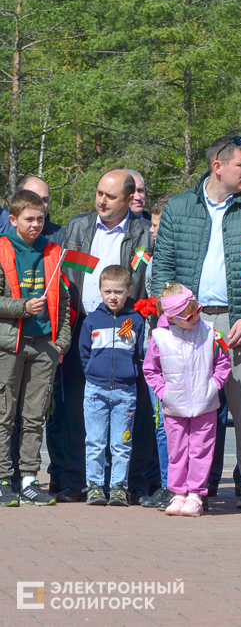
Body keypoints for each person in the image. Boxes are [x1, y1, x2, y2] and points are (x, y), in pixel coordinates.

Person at [152, 136, 241, 517]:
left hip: (238, 319)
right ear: (218, 167)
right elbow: (163, 268)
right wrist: (175, 317)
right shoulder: (179, 206)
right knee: (195, 411)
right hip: (189, 321)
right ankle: (196, 489)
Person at [54, 170, 154, 503]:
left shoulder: (141, 233)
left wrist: (131, 323)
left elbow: (141, 281)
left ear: (128, 199)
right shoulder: (79, 228)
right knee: (76, 409)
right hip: (84, 324)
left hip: (126, 325)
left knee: (129, 409)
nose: (101, 201)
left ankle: (129, 484)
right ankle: (76, 481)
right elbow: (72, 276)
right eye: (99, 193)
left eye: (110, 196)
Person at [0, 190, 70, 507]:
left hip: (45, 346)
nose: (36, 225)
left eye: (41, 218)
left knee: (34, 417)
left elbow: (66, 304)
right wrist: (23, 307)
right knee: (4, 415)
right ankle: (4, 480)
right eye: (29, 219)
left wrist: (61, 343)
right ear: (13, 219)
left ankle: (29, 479)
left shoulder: (54, 251)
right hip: (9, 345)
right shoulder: (2, 250)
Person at [144, 283, 232, 518]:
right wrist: (164, 392)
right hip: (174, 407)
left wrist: (214, 385)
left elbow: (223, 362)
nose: (195, 318)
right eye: (189, 315)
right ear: (172, 317)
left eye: (197, 311)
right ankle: (177, 493)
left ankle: (196, 494)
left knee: (201, 450)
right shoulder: (160, 337)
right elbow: (150, 370)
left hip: (205, 405)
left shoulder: (210, 332)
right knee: (177, 451)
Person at [79, 266, 145, 507]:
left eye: (118, 291)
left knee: (121, 443)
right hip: (95, 389)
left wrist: (131, 373)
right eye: (107, 291)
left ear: (129, 291)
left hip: (125, 391)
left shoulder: (135, 320)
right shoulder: (93, 320)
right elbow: (84, 352)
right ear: (100, 291)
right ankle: (95, 486)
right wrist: (92, 373)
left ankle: (119, 486)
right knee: (95, 442)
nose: (112, 296)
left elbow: (139, 354)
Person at [138, 194, 175, 510]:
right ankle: (162, 482)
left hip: (179, 350)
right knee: (158, 420)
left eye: (158, 226)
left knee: (170, 421)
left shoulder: (182, 259)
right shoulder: (147, 258)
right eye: (151, 224)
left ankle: (175, 483)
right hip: (154, 345)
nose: (152, 231)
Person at [18, 175, 64, 245]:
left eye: (45, 200)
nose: (40, 205)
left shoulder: (64, 237)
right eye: (33, 199)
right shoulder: (5, 235)